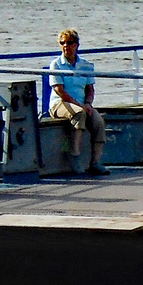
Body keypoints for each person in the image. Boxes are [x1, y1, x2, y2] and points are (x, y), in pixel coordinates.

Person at [49, 28, 108, 175]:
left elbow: (90, 89)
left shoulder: (86, 65)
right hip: (59, 103)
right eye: (62, 43)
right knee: (79, 113)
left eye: (69, 43)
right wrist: (79, 105)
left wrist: (88, 103)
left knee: (98, 122)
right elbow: (59, 90)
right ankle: (74, 154)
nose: (66, 46)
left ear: (76, 45)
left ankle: (95, 162)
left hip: (82, 104)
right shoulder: (56, 65)